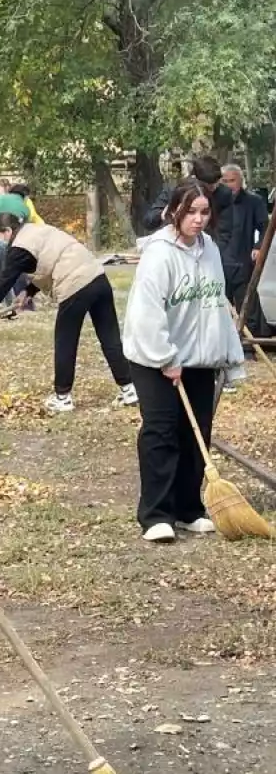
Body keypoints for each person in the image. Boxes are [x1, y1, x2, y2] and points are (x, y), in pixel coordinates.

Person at [123, 182, 245, 543]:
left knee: (196, 434)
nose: (198, 219)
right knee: (161, 431)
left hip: (197, 358)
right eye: (190, 211)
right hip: (152, 356)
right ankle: (156, 514)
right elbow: (147, 312)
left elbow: (215, 303)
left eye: (204, 212)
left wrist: (229, 356)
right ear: (173, 211)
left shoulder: (209, 250)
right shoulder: (159, 254)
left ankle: (188, 509)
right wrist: (165, 357)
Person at [0, 214, 137, 413]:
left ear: (8, 231)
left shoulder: (19, 246)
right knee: (109, 337)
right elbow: (49, 260)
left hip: (74, 285)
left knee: (65, 341)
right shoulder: (37, 230)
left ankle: (63, 397)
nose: (0, 241)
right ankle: (129, 389)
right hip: (97, 277)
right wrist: (28, 292)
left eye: (0, 236)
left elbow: (4, 280)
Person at [219, 164, 267, 335]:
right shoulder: (214, 201)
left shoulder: (253, 201)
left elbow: (265, 227)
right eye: (224, 181)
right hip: (219, 260)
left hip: (242, 261)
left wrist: (258, 246)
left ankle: (248, 345)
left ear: (241, 180)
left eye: (232, 180)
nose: (229, 185)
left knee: (247, 305)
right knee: (219, 307)